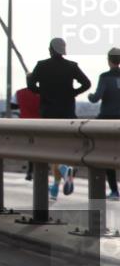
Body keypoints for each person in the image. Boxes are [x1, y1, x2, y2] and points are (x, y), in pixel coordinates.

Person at [27, 38, 91, 198]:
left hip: (49, 114)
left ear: (50, 50)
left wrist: (37, 86)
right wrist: (72, 93)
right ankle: (55, 186)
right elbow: (87, 83)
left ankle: (62, 171)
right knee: (65, 149)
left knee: (52, 149)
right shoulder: (71, 66)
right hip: (68, 114)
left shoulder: (41, 66)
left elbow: (32, 87)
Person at [88, 47, 120, 200]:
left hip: (107, 120)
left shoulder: (105, 77)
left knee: (106, 154)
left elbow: (96, 98)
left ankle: (114, 190)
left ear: (109, 60)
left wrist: (90, 96)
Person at [12, 78, 41, 181]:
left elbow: (12, 106)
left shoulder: (19, 93)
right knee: (40, 148)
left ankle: (30, 171)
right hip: (41, 124)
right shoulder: (42, 92)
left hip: (25, 124)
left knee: (30, 147)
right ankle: (37, 170)